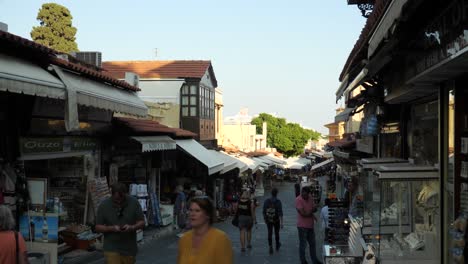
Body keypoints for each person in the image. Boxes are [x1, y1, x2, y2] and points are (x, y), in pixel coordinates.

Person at [96, 183, 145, 264]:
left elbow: (142, 222)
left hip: (129, 248)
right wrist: (111, 228)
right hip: (111, 247)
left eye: (121, 199)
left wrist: (132, 227)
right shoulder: (104, 205)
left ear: (125, 194)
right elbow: (98, 227)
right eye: (116, 199)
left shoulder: (134, 202)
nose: (118, 202)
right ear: (112, 195)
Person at [177, 196, 233, 264]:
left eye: (197, 211)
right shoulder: (184, 239)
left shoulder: (220, 239)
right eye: (190, 210)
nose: (192, 214)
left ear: (208, 215)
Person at [295, 186, 322, 264]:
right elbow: (303, 214)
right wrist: (311, 211)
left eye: (307, 194)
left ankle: (314, 260)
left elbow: (314, 208)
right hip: (302, 226)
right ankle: (303, 261)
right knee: (303, 245)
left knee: (312, 244)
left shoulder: (310, 197)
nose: (306, 196)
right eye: (304, 194)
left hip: (310, 225)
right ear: (302, 192)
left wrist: (312, 210)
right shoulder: (298, 200)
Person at [263, 187, 283, 254]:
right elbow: (280, 213)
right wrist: (282, 223)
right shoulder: (278, 201)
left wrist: (265, 218)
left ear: (271, 193)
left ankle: (270, 246)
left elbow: (264, 211)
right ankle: (277, 245)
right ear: (277, 193)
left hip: (269, 219)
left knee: (269, 233)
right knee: (277, 233)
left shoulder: (267, 201)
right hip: (276, 220)